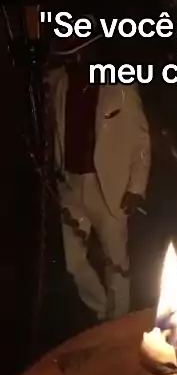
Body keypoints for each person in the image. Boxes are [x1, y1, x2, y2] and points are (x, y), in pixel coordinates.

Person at [45, 21, 151, 321]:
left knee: (115, 261)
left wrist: (136, 187)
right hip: (70, 183)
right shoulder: (57, 84)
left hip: (109, 186)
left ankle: (118, 320)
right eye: (68, 54)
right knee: (73, 261)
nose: (73, 60)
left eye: (78, 52)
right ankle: (101, 311)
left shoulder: (120, 88)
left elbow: (141, 140)